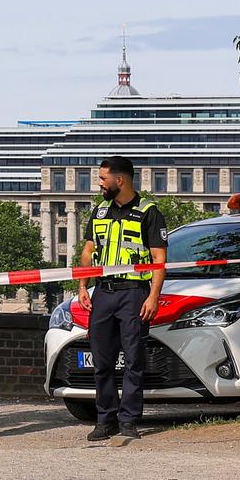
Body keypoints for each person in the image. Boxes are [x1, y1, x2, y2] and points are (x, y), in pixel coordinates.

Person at [75, 156, 167, 443]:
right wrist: (82, 287)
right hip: (103, 293)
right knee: (101, 361)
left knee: (133, 359)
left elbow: (159, 259)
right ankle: (105, 420)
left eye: (103, 178)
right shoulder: (100, 211)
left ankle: (128, 420)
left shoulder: (149, 212)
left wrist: (153, 296)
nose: (99, 184)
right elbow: (89, 251)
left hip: (134, 294)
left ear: (120, 180)